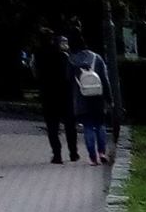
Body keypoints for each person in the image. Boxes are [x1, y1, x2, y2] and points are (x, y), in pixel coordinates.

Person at [66, 28, 111, 165]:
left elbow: (68, 79)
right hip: (97, 96)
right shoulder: (96, 58)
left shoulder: (71, 60)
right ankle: (102, 152)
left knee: (88, 127)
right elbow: (105, 79)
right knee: (100, 125)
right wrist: (109, 98)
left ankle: (92, 157)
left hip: (81, 99)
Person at [36, 29, 78, 163]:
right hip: (65, 93)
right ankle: (73, 153)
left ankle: (57, 154)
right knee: (70, 125)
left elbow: (37, 75)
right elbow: (70, 74)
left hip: (48, 94)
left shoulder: (39, 56)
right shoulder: (63, 55)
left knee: (52, 127)